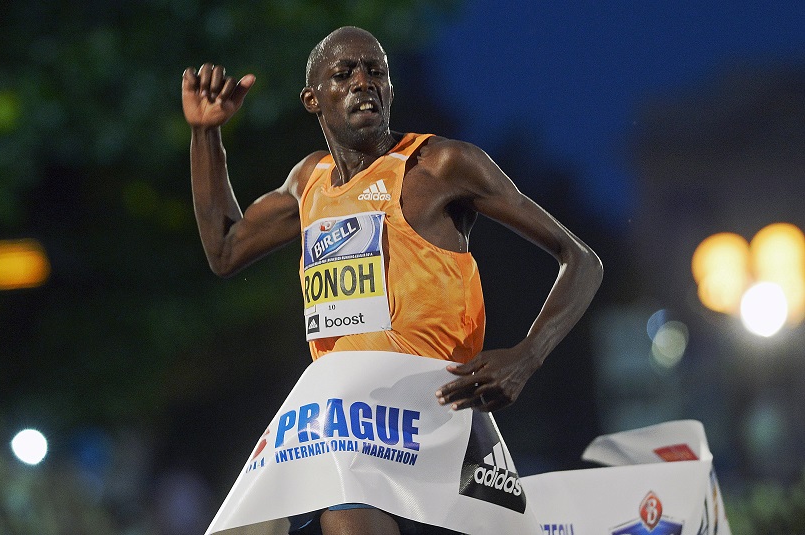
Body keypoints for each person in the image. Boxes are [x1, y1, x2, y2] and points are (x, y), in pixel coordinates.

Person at [183, 26, 602, 535]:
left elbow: (581, 260)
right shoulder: (309, 182)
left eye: (375, 71)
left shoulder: (439, 166)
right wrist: (205, 134)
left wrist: (526, 356)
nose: (363, 82)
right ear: (313, 99)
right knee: (340, 517)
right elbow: (225, 250)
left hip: (439, 420)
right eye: (344, 74)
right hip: (347, 429)